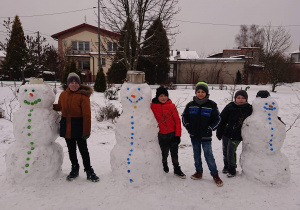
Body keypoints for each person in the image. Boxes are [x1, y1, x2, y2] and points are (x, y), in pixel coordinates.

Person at [53, 72, 99, 182]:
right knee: (71, 150)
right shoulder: (63, 94)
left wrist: (86, 132)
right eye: (71, 82)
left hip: (79, 127)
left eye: (76, 82)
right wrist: (45, 104)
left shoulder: (83, 97)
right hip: (66, 126)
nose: (74, 84)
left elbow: (87, 115)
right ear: (68, 83)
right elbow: (59, 106)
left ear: (79, 84)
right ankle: (75, 169)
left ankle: (89, 170)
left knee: (83, 150)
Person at [182, 82, 223, 187]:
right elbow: (184, 117)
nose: (200, 94)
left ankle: (215, 174)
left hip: (206, 135)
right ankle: (199, 172)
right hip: (194, 135)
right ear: (196, 93)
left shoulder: (211, 105)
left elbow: (217, 119)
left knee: (208, 154)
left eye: (203, 92)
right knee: (196, 154)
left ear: (206, 93)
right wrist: (188, 126)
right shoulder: (190, 105)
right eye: (198, 92)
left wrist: (210, 128)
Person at [151, 86, 186, 179]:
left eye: (165, 96)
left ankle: (177, 169)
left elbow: (177, 121)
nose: (163, 98)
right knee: (163, 153)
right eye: (161, 96)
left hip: (172, 134)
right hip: (161, 135)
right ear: (157, 97)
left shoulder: (171, 106)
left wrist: (178, 135)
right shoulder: (152, 106)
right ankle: (164, 165)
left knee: (174, 153)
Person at [216, 90, 252, 177]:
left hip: (237, 134)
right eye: (238, 98)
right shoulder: (230, 106)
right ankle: (226, 166)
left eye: (243, 98)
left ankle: (232, 169)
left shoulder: (249, 108)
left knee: (231, 150)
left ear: (246, 99)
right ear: (235, 98)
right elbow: (222, 119)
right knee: (225, 150)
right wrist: (219, 131)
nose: (240, 100)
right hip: (227, 132)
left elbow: (260, 115)